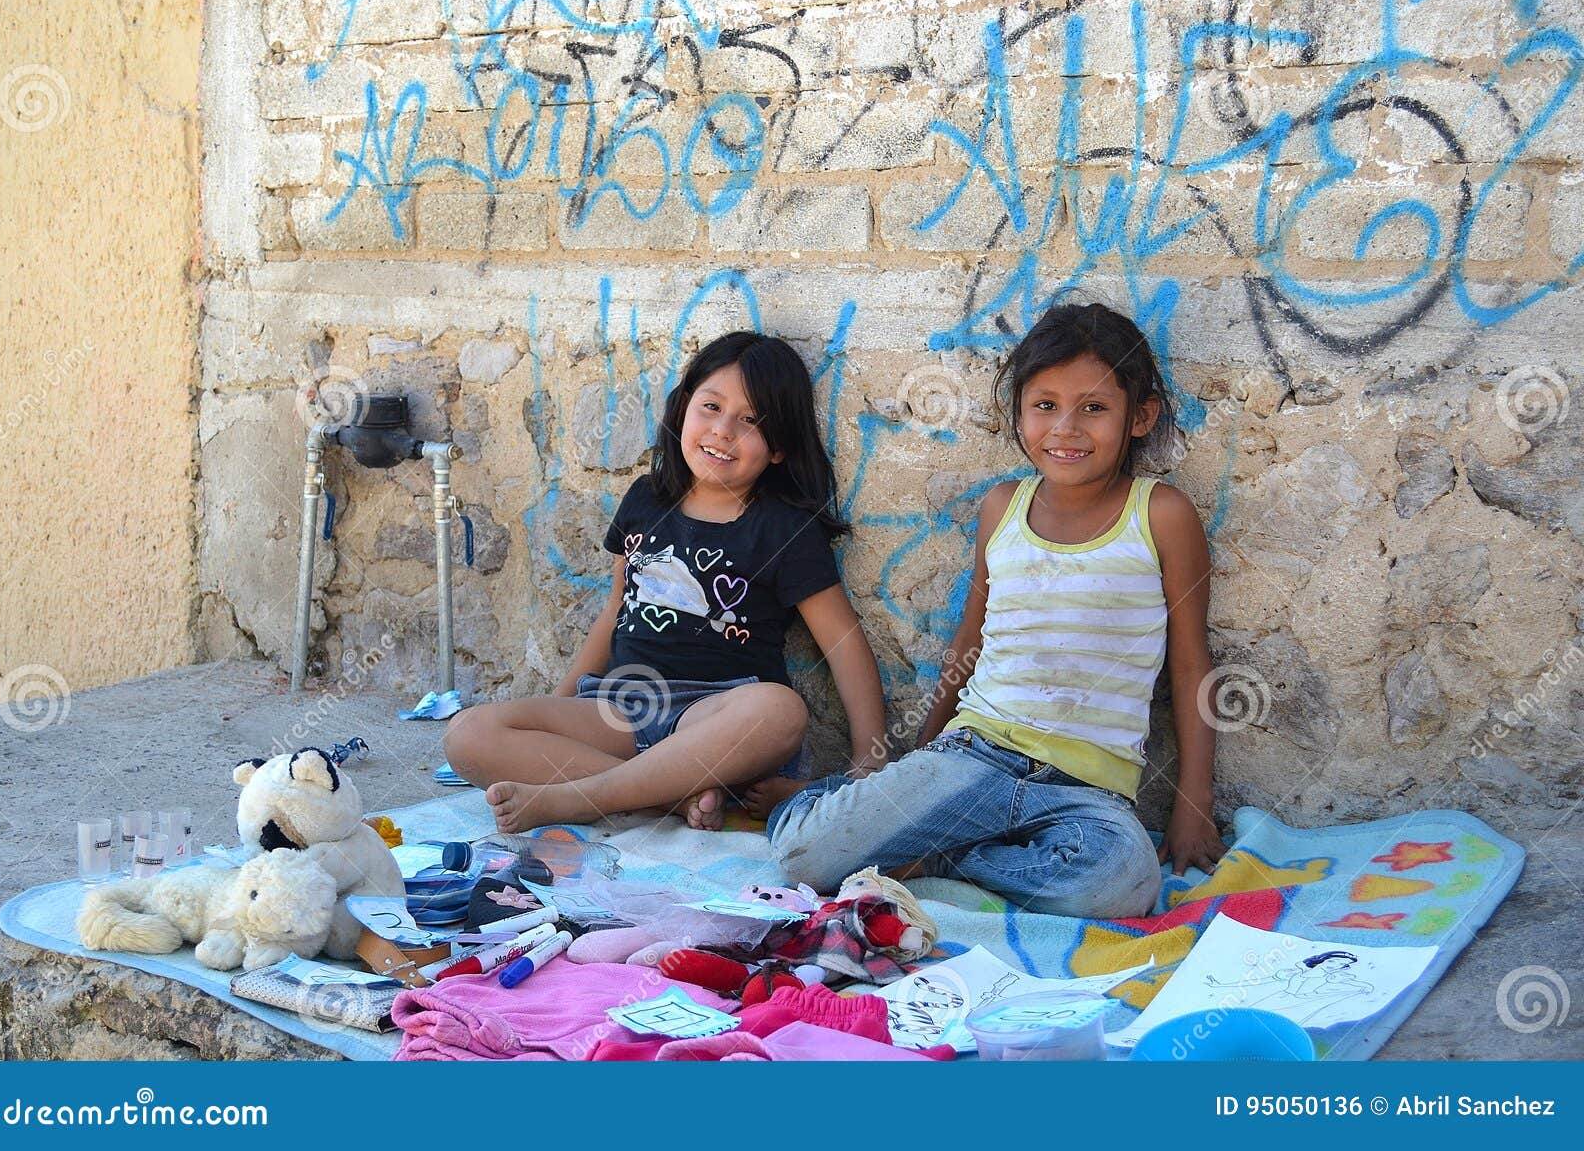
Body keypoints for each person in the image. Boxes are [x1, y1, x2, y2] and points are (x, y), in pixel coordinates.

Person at [749, 302, 1227, 917]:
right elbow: (969, 644)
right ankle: (829, 801)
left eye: (1096, 407)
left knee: (1121, 886)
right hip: (975, 757)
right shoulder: (1004, 507)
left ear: (1142, 416)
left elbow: (1190, 664)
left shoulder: (1161, 514)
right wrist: (919, 759)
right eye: (1045, 405)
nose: (1067, 428)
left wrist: (1193, 805)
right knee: (801, 855)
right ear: (1019, 412)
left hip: (1091, 791)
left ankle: (941, 857)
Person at [445, 331, 886, 833]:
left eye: (750, 421)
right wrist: (562, 703)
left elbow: (845, 645)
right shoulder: (646, 500)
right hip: (619, 710)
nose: (723, 431)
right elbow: (615, 612)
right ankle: (671, 801)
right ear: (681, 411)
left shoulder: (785, 528)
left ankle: (580, 798)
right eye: (711, 407)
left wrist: (867, 762)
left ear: (780, 447)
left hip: (712, 722)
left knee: (780, 710)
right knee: (469, 733)